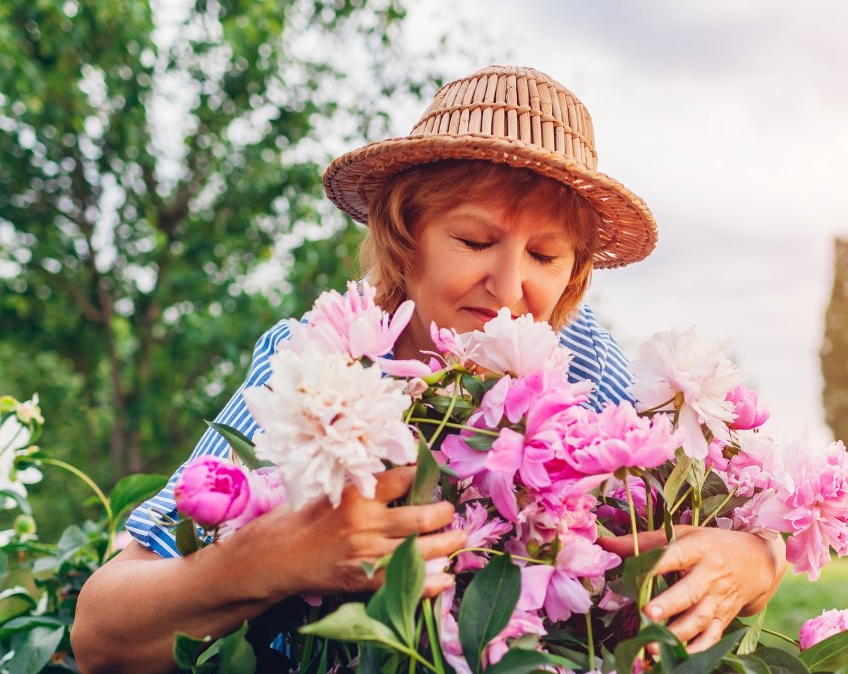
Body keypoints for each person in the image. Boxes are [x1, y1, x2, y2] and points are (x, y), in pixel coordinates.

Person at [72, 65, 785, 673]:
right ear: (402, 239)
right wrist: (271, 561)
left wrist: (758, 558)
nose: (509, 288)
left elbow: (703, 517)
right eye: (475, 239)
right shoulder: (314, 363)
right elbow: (102, 632)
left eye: (544, 256)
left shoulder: (584, 357)